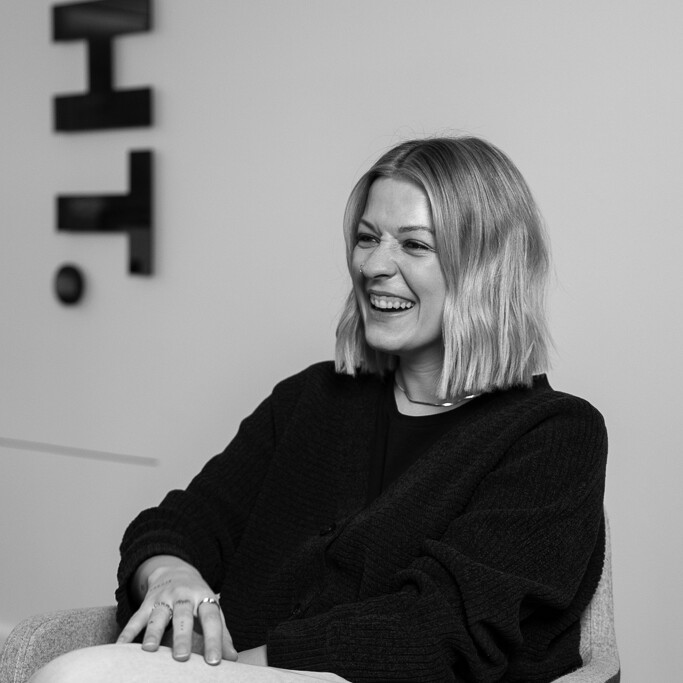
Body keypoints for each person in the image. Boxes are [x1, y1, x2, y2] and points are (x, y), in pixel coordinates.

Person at [31, 136, 608, 683]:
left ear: (487, 267)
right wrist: (170, 575)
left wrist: (241, 671)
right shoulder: (312, 398)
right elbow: (180, 524)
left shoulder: (555, 434)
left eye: (414, 244)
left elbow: (441, 631)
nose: (374, 265)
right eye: (367, 238)